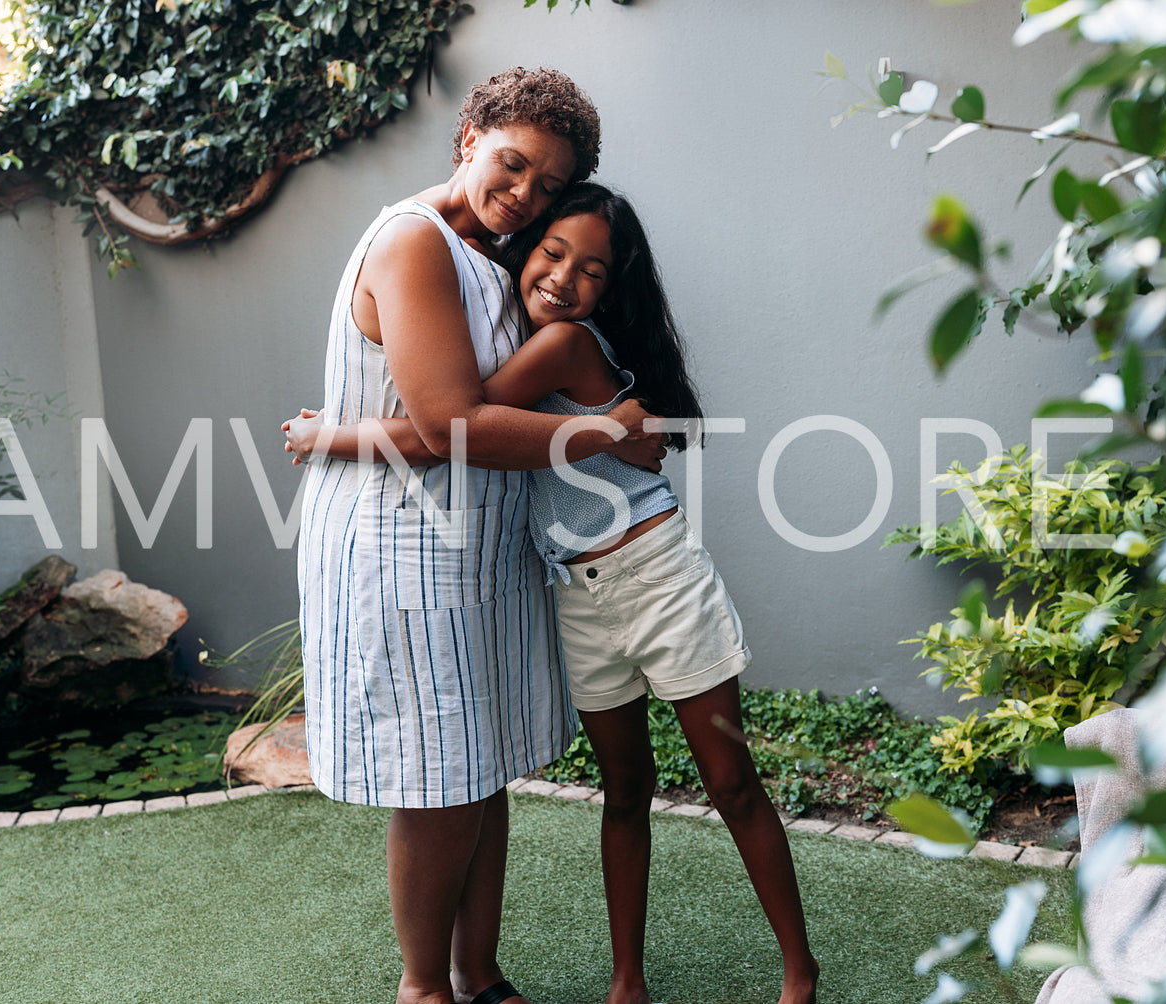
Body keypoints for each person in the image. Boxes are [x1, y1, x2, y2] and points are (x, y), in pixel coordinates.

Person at [286, 184, 820, 1004]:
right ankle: (624, 982)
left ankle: (797, 972)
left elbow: (445, 431)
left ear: (611, 291)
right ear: (524, 249)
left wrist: (328, 436)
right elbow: (459, 417)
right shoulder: (506, 329)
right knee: (624, 793)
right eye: (553, 253)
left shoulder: (564, 345)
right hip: (578, 594)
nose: (566, 279)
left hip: (655, 575)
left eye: (593, 271)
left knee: (730, 781)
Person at [290, 69, 665, 1004]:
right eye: (512, 164)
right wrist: (607, 431)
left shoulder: (493, 248)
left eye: (548, 184)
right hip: (402, 547)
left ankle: (479, 975)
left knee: (478, 762)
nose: (525, 195)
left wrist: (332, 430)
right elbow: (454, 423)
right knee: (437, 778)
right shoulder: (415, 243)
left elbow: (455, 415)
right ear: (469, 137)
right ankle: (425, 990)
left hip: (478, 546)